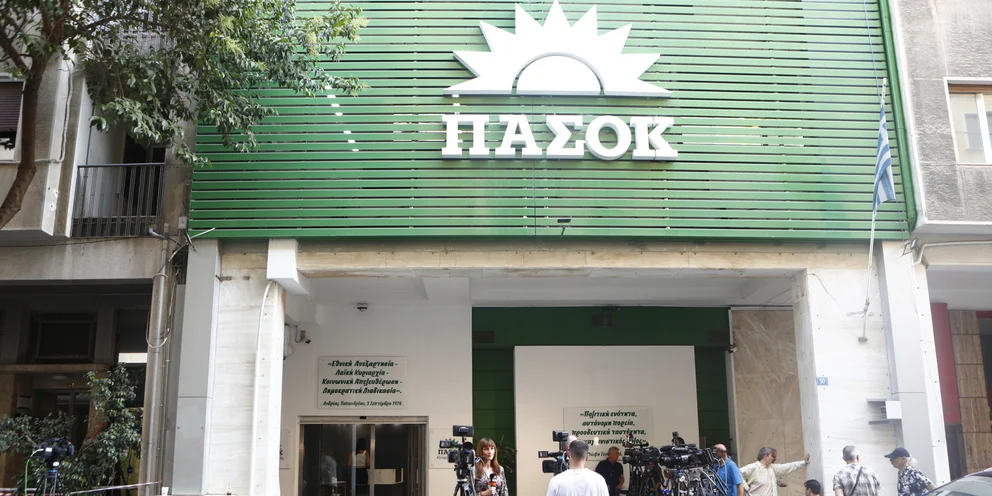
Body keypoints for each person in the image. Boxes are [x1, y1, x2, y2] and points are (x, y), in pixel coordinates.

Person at [740, 447, 810, 496]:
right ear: (765, 457)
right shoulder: (753, 467)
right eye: (772, 456)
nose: (774, 458)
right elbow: (738, 473)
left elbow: (786, 467)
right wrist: (746, 487)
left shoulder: (772, 468)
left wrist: (803, 462)